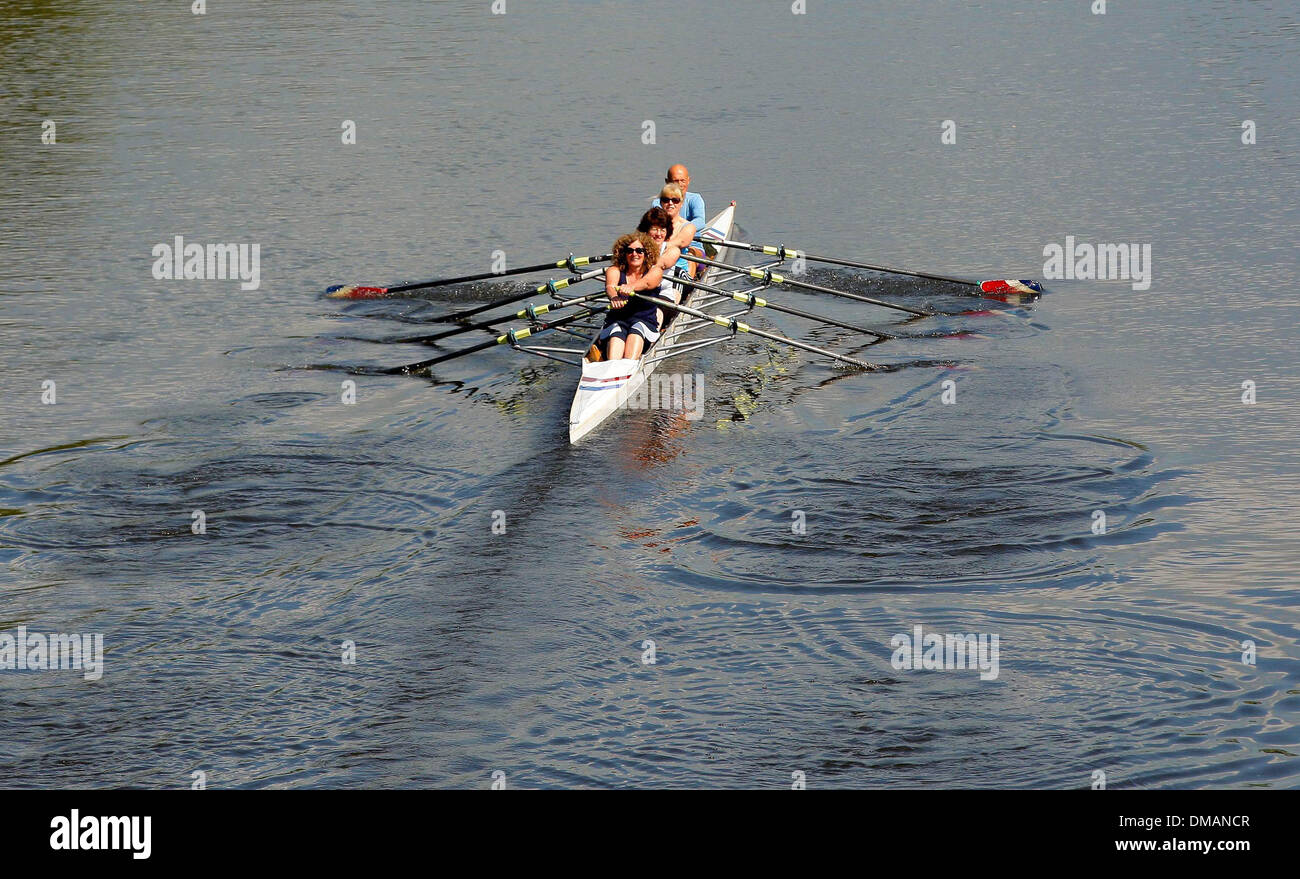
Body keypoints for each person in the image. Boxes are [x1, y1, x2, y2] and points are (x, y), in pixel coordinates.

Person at [596, 232, 664, 362]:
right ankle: (612, 366)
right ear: (623, 253)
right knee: (616, 334)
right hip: (618, 319)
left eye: (639, 250)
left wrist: (631, 286)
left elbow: (647, 282)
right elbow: (610, 286)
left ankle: (629, 367)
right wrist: (614, 297)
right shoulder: (614, 270)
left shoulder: (655, 271)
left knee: (636, 331)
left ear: (647, 253)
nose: (634, 254)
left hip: (644, 320)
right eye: (630, 251)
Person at [637, 206, 688, 330]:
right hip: (642, 292)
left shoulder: (672, 250)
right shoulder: (636, 249)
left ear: (667, 232)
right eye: (655, 229)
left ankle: (653, 341)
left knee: (656, 309)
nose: (659, 234)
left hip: (664, 294)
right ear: (646, 231)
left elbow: (660, 265)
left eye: (662, 229)